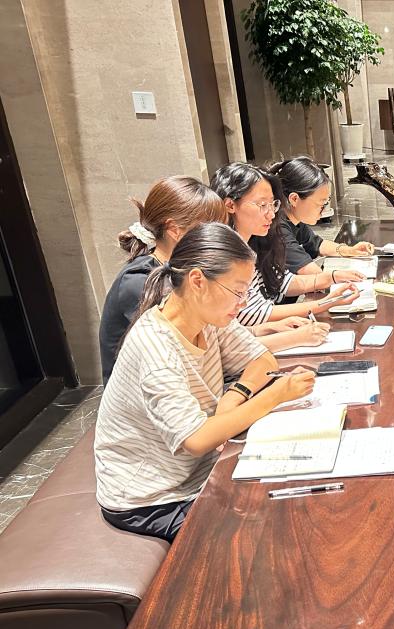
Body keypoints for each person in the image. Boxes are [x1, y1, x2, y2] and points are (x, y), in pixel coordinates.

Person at [95, 223, 315, 542]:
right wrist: (273, 396)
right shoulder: (156, 346)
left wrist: (232, 398)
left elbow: (262, 360)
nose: (243, 302)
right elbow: (196, 439)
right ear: (198, 280)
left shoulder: (206, 317)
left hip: (197, 467)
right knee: (266, 535)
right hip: (152, 498)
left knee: (297, 496)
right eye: (237, 291)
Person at [100, 176, 227, 383]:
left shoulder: (180, 268)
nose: (220, 237)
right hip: (143, 394)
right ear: (175, 230)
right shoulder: (139, 281)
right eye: (210, 228)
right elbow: (187, 344)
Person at [211, 162, 362, 327]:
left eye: (273, 204)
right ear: (230, 205)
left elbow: (281, 281)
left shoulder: (254, 239)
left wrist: (331, 277)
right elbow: (254, 314)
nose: (271, 214)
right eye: (262, 205)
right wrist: (326, 302)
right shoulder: (224, 253)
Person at [266, 156, 373, 275]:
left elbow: (318, 244)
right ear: (294, 199)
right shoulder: (276, 228)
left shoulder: (292, 219)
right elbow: (311, 272)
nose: (324, 210)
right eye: (321, 204)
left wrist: (350, 250)